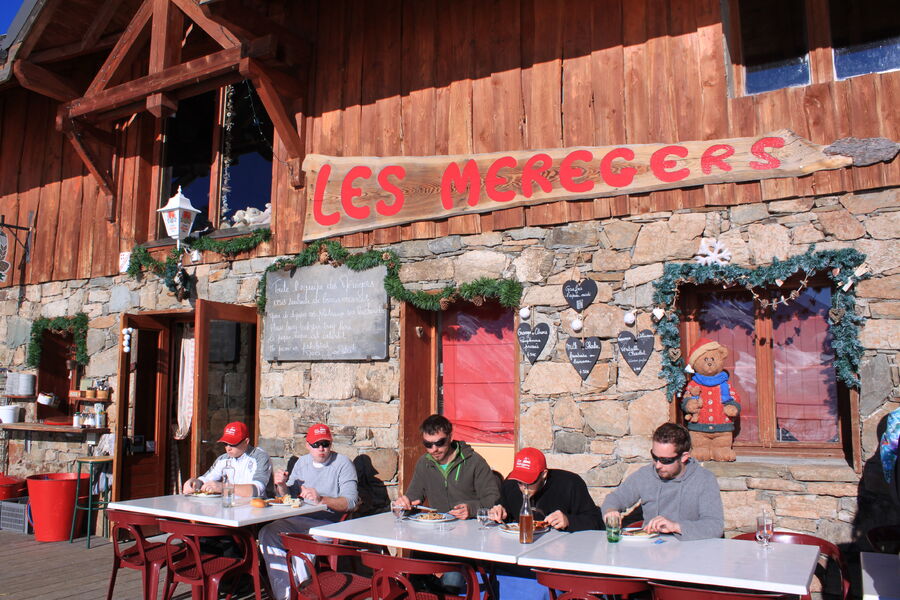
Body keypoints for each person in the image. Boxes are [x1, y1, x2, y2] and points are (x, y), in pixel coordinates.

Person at [258, 423, 359, 600]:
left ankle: (306, 596)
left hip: (329, 523)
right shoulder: (302, 462)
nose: (321, 448)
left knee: (299, 548)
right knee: (267, 533)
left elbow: (351, 502)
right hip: (299, 519)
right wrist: (281, 485)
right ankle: (285, 595)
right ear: (307, 445)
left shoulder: (343, 464)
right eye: (315, 444)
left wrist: (322, 500)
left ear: (331, 443)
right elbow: (288, 496)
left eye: (325, 444)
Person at [601, 422, 724, 540]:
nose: (658, 465)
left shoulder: (704, 479)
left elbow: (714, 526)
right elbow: (615, 499)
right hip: (651, 550)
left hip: (690, 553)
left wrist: (675, 527)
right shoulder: (645, 475)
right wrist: (610, 511)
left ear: (684, 457)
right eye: (655, 457)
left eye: (665, 460)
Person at [395, 414, 501, 518]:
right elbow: (414, 499)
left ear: (450, 437)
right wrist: (404, 504)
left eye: (439, 443)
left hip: (472, 526)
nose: (434, 449)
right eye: (428, 444)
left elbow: (494, 499)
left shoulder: (474, 461)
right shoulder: (424, 463)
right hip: (439, 528)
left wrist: (471, 509)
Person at [489, 447, 600, 531]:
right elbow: (505, 516)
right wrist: (500, 514)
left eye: (529, 482)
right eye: (520, 482)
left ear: (544, 474)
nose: (523, 487)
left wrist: (568, 521)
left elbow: (596, 521)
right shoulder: (510, 485)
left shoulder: (569, 484)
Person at [182, 421, 271, 498]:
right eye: (225, 444)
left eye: (233, 444)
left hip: (256, 509)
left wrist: (223, 487)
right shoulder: (223, 459)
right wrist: (193, 482)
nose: (228, 448)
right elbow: (205, 479)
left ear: (246, 442)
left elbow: (256, 491)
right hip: (230, 506)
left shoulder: (260, 457)